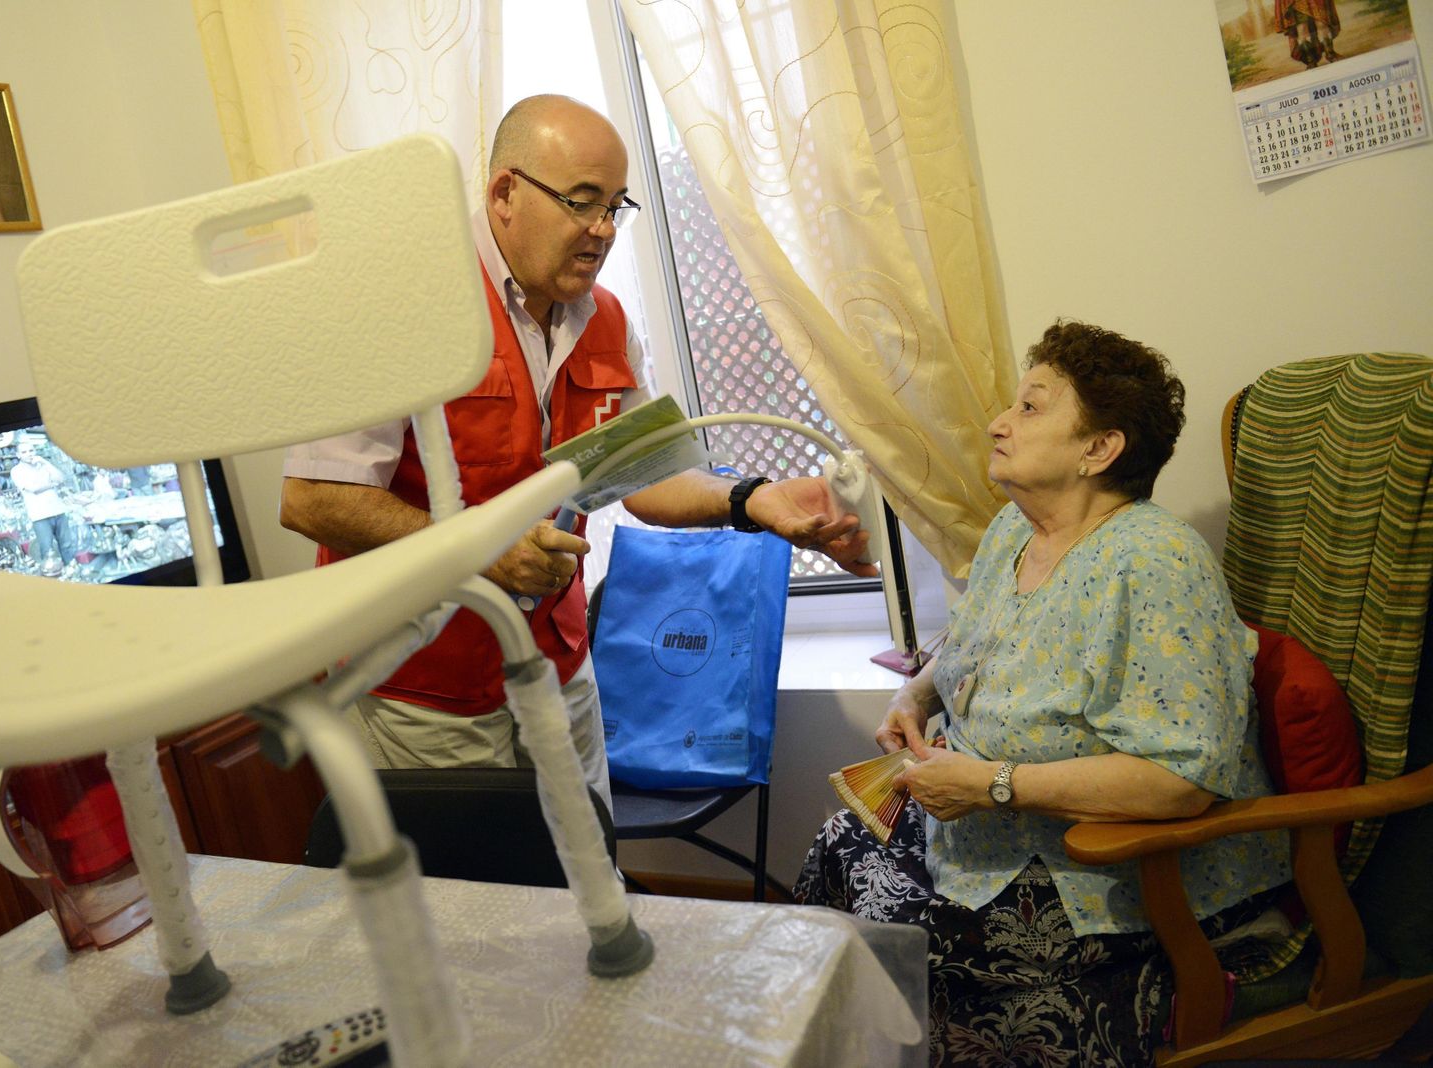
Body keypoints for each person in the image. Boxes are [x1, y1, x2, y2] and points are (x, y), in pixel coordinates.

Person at [281, 94, 873, 807]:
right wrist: (479, 549)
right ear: (505, 192)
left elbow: (647, 480)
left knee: (591, 884)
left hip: (556, 669)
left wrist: (749, 500)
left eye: (615, 207)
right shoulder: (395, 306)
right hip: (421, 689)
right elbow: (311, 497)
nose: (601, 231)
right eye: (581, 202)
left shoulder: (605, 319)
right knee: (477, 908)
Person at [795, 320, 1290, 1066]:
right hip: (978, 844)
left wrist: (993, 785)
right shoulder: (1014, 532)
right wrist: (917, 701)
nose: (1000, 422)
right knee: (839, 847)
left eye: (1032, 408)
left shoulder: (1156, 563)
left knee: (904, 950)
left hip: (1102, 877)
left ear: (1100, 448)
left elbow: (1183, 780)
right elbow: (971, 647)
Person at [11, 435, 76, 576]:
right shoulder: (16, 471)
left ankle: (73, 574)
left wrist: (44, 462)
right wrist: (52, 484)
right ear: (18, 455)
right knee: (47, 550)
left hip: (58, 511)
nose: (29, 454)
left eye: (31, 450)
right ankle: (54, 578)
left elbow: (61, 478)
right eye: (24, 452)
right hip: (40, 516)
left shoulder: (42, 465)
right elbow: (33, 488)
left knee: (67, 546)